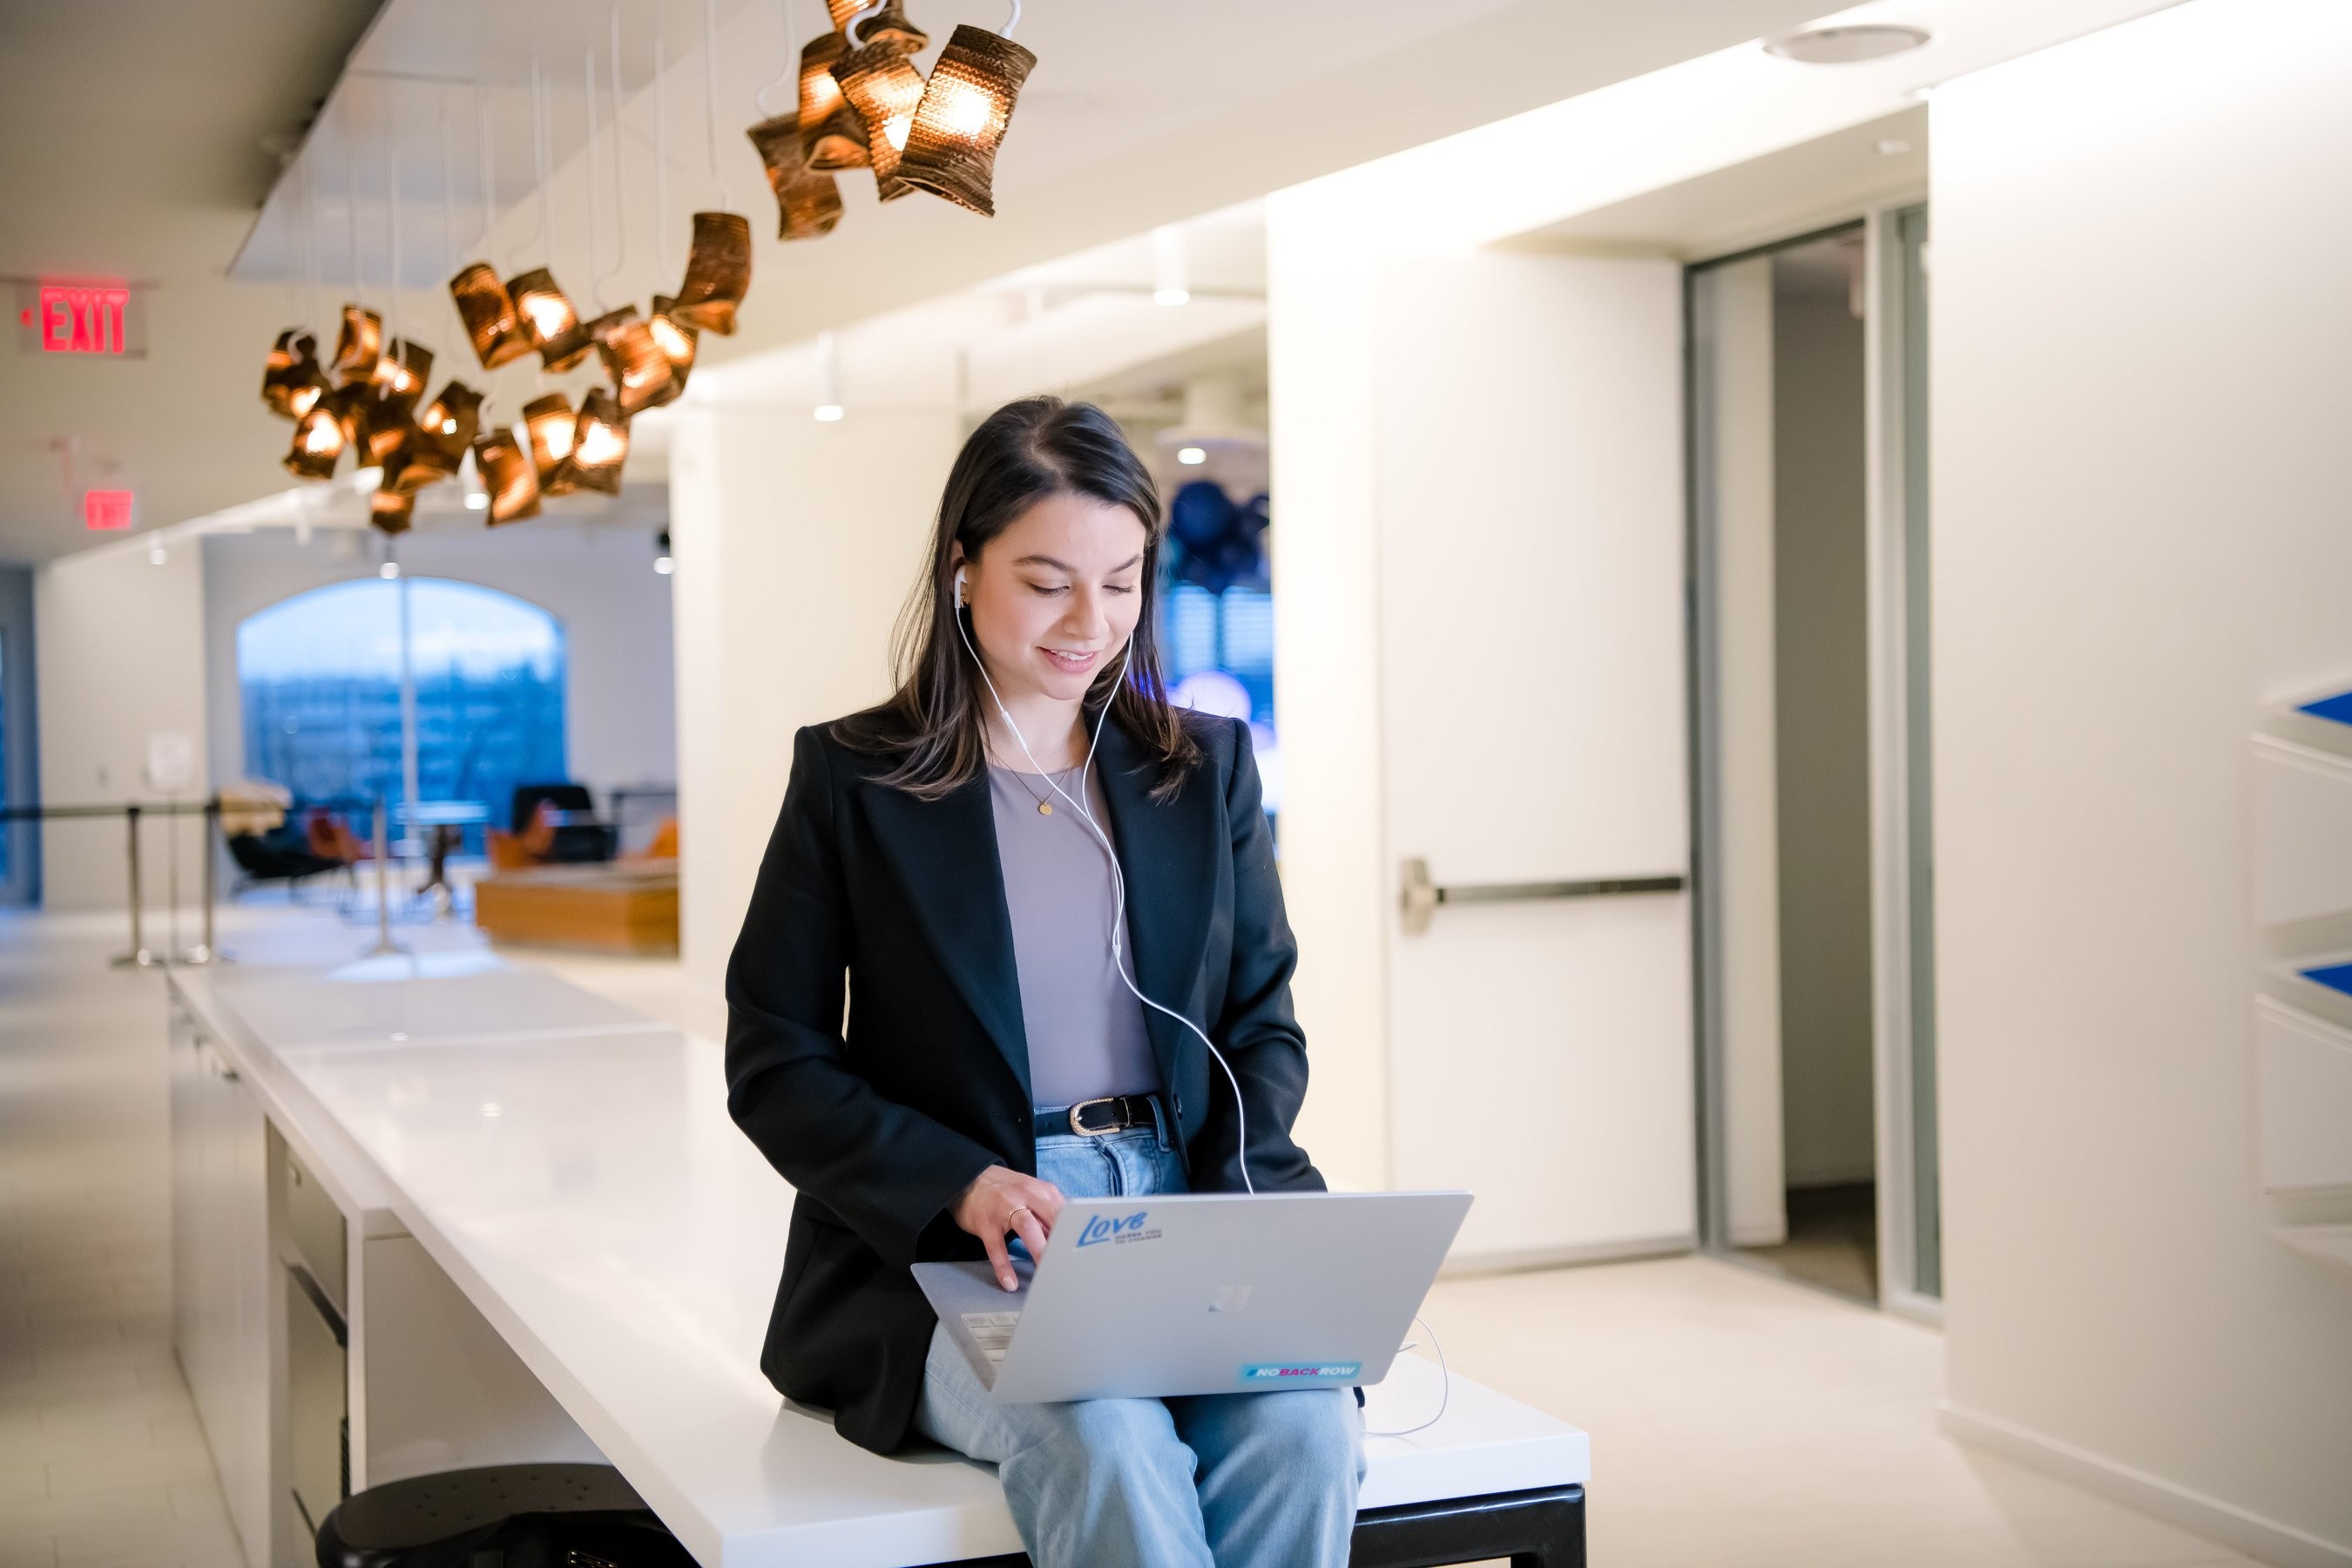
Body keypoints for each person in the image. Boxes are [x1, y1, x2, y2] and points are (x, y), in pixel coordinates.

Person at [725, 396, 1360, 1567]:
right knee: (1104, 1436)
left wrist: (1239, 1202)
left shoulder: (1201, 769)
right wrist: (958, 1182)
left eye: (1122, 582)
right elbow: (776, 1059)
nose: (1092, 620)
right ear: (964, 569)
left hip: (1187, 1208)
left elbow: (1261, 1022)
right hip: (964, 1242)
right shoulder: (854, 781)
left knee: (1306, 1428)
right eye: (1048, 579)